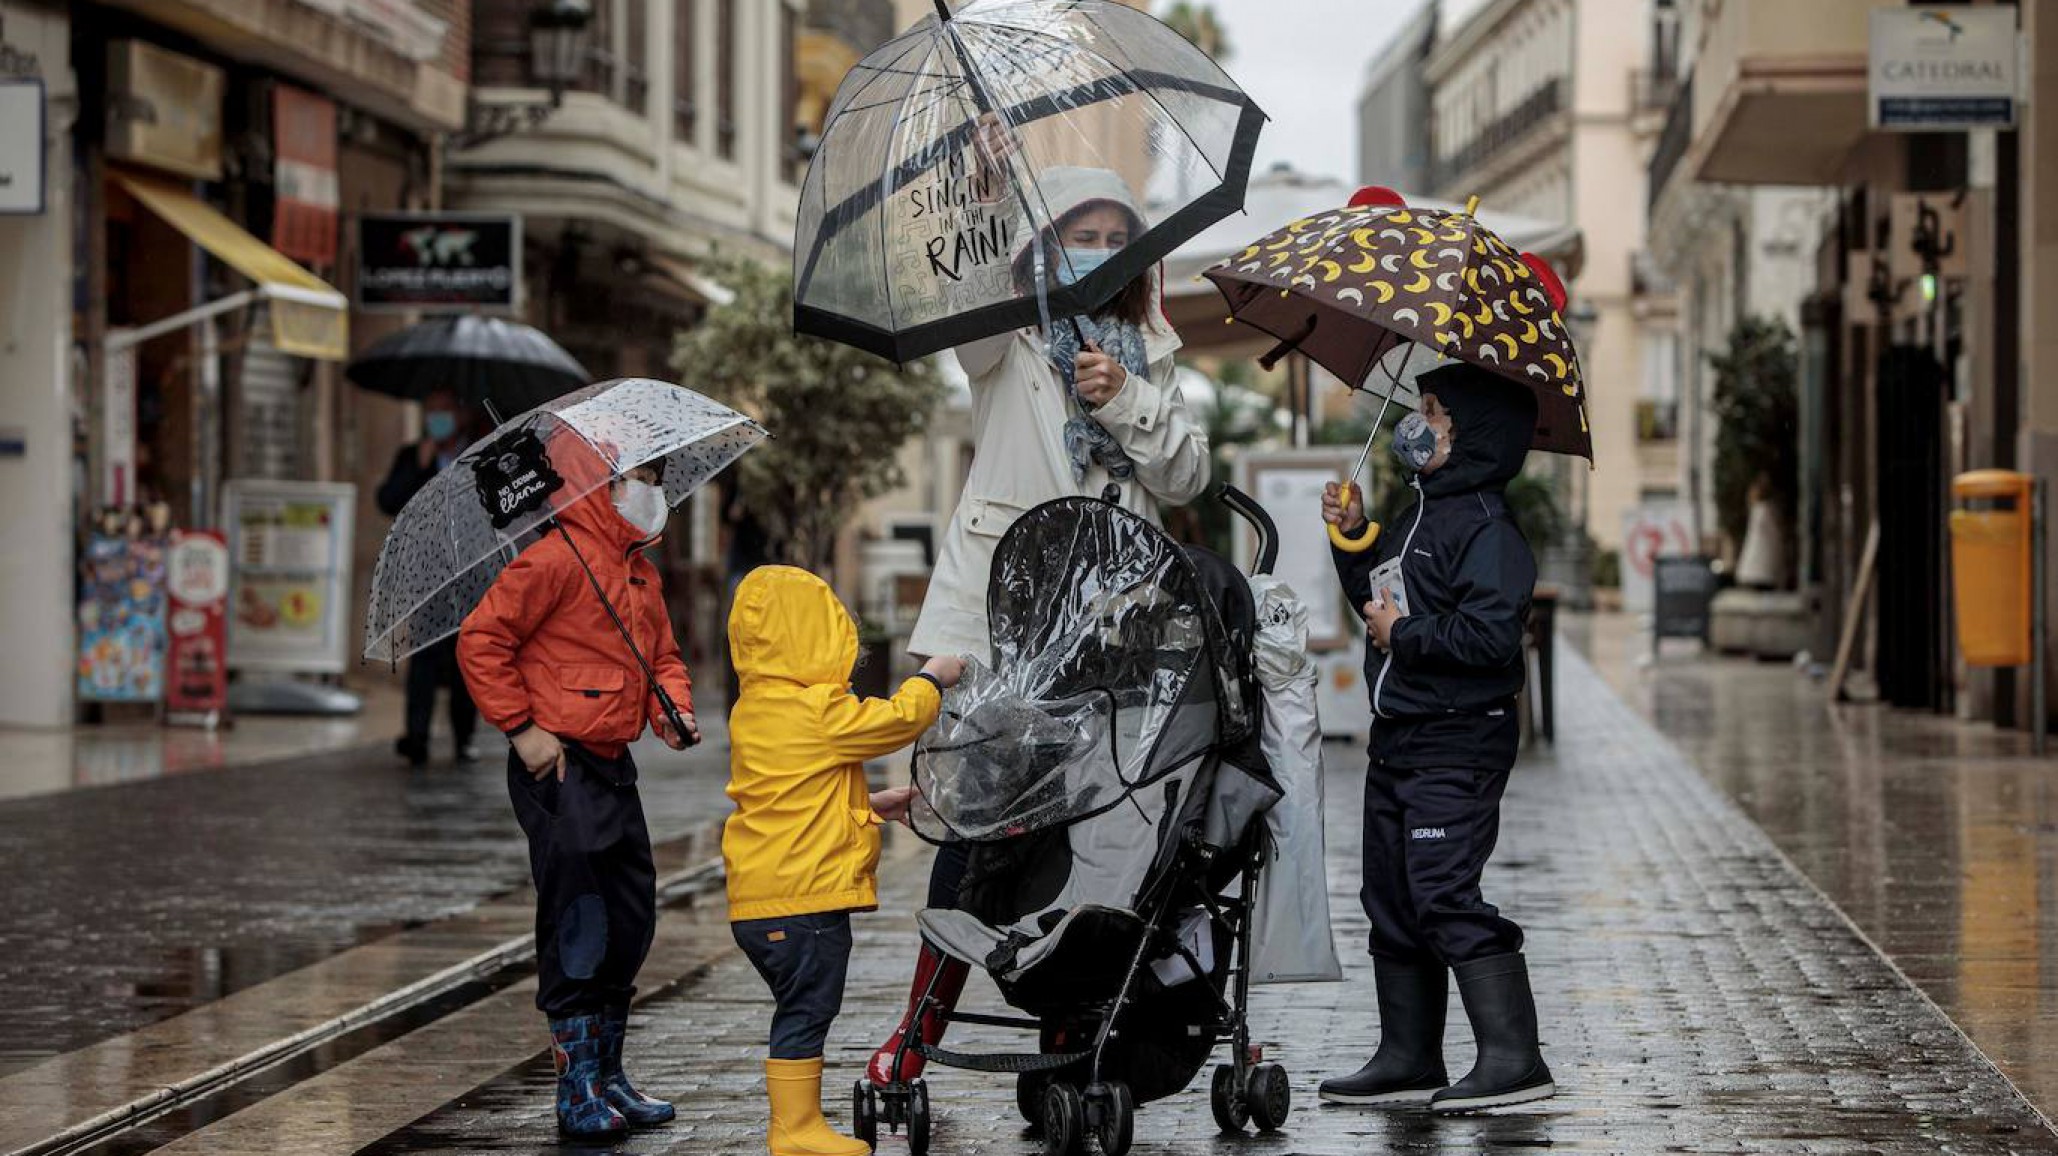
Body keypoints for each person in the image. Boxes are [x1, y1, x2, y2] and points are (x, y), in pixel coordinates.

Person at [871, 145, 1212, 1087]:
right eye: (1078, 237)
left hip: (1108, 639)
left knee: (1090, 840)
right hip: (998, 634)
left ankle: (1073, 1037)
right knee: (971, 830)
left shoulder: (1151, 356)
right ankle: (915, 1037)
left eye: (1114, 240)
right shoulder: (1007, 340)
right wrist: (983, 200)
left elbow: (1188, 474)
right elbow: (966, 313)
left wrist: (1129, 397)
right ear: (1040, 251)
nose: (1097, 252)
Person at [1315, 363, 1556, 1114]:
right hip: (1401, 736)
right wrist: (1353, 542)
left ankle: (1516, 1061)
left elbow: (1489, 639)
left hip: (1458, 739)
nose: (1416, 425)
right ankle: (1408, 1055)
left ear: (1472, 435)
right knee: (1390, 894)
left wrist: (1408, 632)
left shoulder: (1487, 527)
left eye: (1433, 413)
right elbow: (1378, 604)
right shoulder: (1423, 512)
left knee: (1443, 891)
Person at [457, 455, 699, 1141]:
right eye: (640, 480)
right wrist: (522, 728)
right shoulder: (553, 561)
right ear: (603, 484)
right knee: (580, 917)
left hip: (613, 763)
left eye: (657, 481)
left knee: (630, 914)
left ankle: (611, 1073)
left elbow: (665, 660)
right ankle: (578, 1084)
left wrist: (672, 711)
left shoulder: (638, 572)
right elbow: (482, 640)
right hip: (557, 764)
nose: (653, 493)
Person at [724, 565, 966, 1156]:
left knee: (801, 1007)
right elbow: (896, 721)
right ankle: (794, 1130)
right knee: (808, 1009)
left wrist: (874, 804)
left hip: (764, 899)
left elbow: (798, 791)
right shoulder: (814, 711)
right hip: (803, 901)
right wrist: (932, 678)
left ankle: (794, 1125)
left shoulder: (757, 709)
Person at [378, 388, 478, 767]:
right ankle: (416, 736)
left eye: (444, 409)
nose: (436, 417)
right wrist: (420, 467)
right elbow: (387, 501)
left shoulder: (476, 456)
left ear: (462, 415)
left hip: (470, 572)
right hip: (426, 573)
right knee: (422, 658)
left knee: (465, 660)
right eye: (430, 409)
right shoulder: (412, 454)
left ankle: (463, 736)